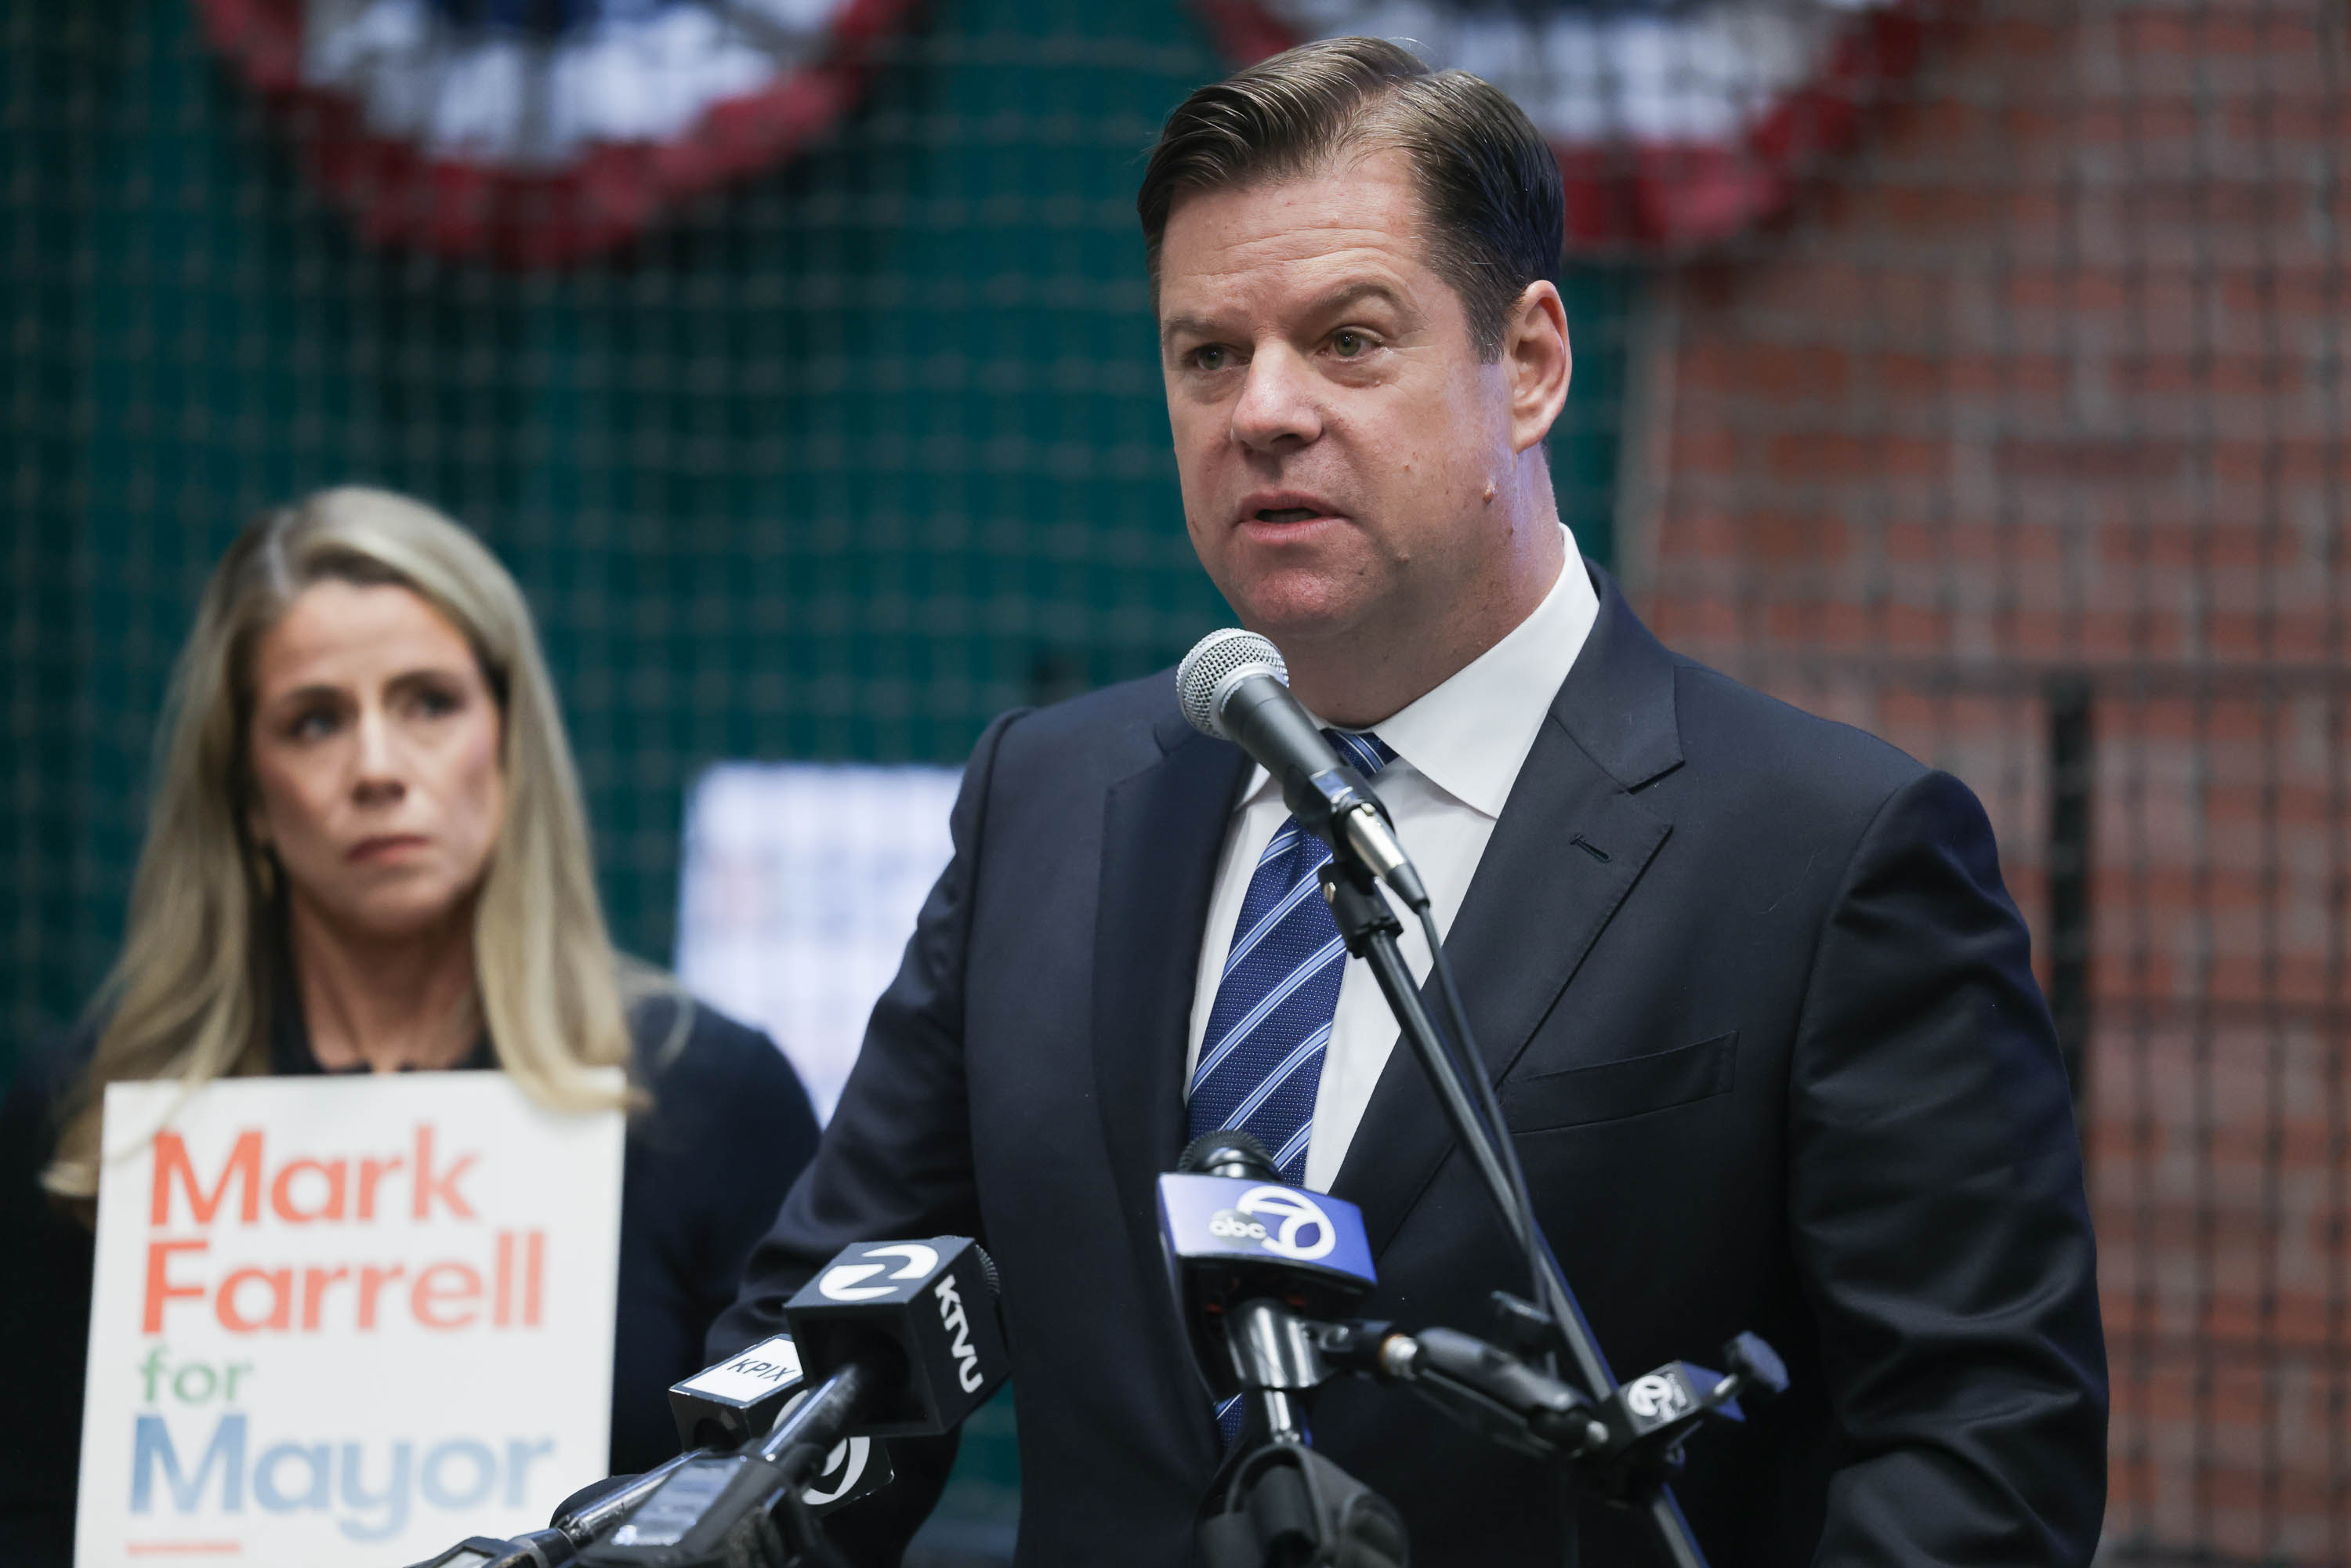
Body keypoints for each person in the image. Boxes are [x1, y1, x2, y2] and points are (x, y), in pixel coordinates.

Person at [713, 38, 2107, 1566]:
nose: (1265, 409)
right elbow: (823, 1347)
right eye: (1206, 354)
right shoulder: (1047, 802)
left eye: (1349, 339)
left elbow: (1982, 1455)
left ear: (1529, 365)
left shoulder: (1827, 852)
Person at [0, 487, 820, 1566]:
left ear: (510, 743)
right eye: (314, 720)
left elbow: (801, 1517)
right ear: (248, 792)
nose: (379, 767)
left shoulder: (714, 1099)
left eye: (429, 701)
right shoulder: (88, 1136)